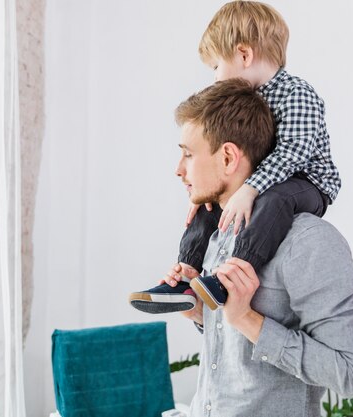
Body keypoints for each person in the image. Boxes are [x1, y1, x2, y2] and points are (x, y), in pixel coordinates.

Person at [168, 78, 353, 416]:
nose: (179, 170)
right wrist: (201, 315)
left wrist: (247, 318)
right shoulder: (219, 233)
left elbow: (349, 375)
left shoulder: (310, 241)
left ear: (228, 157)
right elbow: (235, 354)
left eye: (188, 154)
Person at [129, 1, 340, 313]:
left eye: (216, 66)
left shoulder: (296, 93)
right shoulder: (249, 100)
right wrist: (206, 188)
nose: (215, 77)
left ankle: (234, 273)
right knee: (210, 201)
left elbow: (293, 153)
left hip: (308, 182)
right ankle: (186, 276)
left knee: (277, 198)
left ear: (244, 55)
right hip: (267, 180)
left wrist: (250, 188)